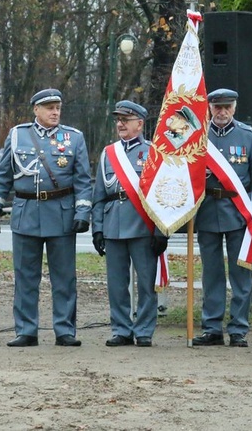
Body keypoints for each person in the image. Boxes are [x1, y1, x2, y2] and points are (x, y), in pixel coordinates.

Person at [0, 88, 92, 347]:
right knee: (25, 276)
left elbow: (83, 181)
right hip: (26, 212)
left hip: (61, 213)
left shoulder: (74, 138)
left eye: (58, 107)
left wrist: (83, 212)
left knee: (64, 277)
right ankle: (26, 330)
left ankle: (65, 330)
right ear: (36, 110)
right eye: (49, 107)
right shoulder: (18, 135)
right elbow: (3, 176)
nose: (55, 112)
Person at [192, 88, 252, 348]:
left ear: (234, 108)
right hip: (207, 211)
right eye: (217, 107)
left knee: (240, 274)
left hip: (238, 211)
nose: (222, 112)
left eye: (226, 107)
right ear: (210, 108)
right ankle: (212, 327)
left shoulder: (249, 136)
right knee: (211, 274)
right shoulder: (198, 137)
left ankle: (238, 329)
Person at [91, 100, 169, 348]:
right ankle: (121, 329)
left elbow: (162, 195)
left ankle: (144, 330)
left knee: (146, 282)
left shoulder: (153, 153)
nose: (121, 124)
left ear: (140, 123)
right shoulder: (108, 153)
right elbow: (100, 195)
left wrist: (160, 230)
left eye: (126, 119)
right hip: (114, 223)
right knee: (116, 283)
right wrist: (98, 228)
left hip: (143, 225)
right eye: (118, 120)